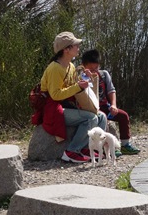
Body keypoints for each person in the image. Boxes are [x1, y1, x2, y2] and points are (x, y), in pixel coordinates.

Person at [40, 32, 107, 163]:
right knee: (91, 118)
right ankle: (71, 151)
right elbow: (55, 95)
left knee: (101, 117)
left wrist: (85, 77)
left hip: (66, 106)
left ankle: (90, 148)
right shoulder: (55, 68)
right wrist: (78, 86)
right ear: (66, 50)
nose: (78, 47)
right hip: (54, 110)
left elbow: (74, 86)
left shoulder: (70, 66)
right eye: (75, 45)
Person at [81, 49, 140, 156]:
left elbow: (111, 90)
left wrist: (113, 105)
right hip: (91, 108)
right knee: (104, 119)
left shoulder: (104, 74)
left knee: (123, 116)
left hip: (105, 106)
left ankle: (125, 144)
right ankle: (107, 148)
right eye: (91, 68)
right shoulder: (81, 78)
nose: (94, 71)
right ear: (84, 66)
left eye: (96, 68)